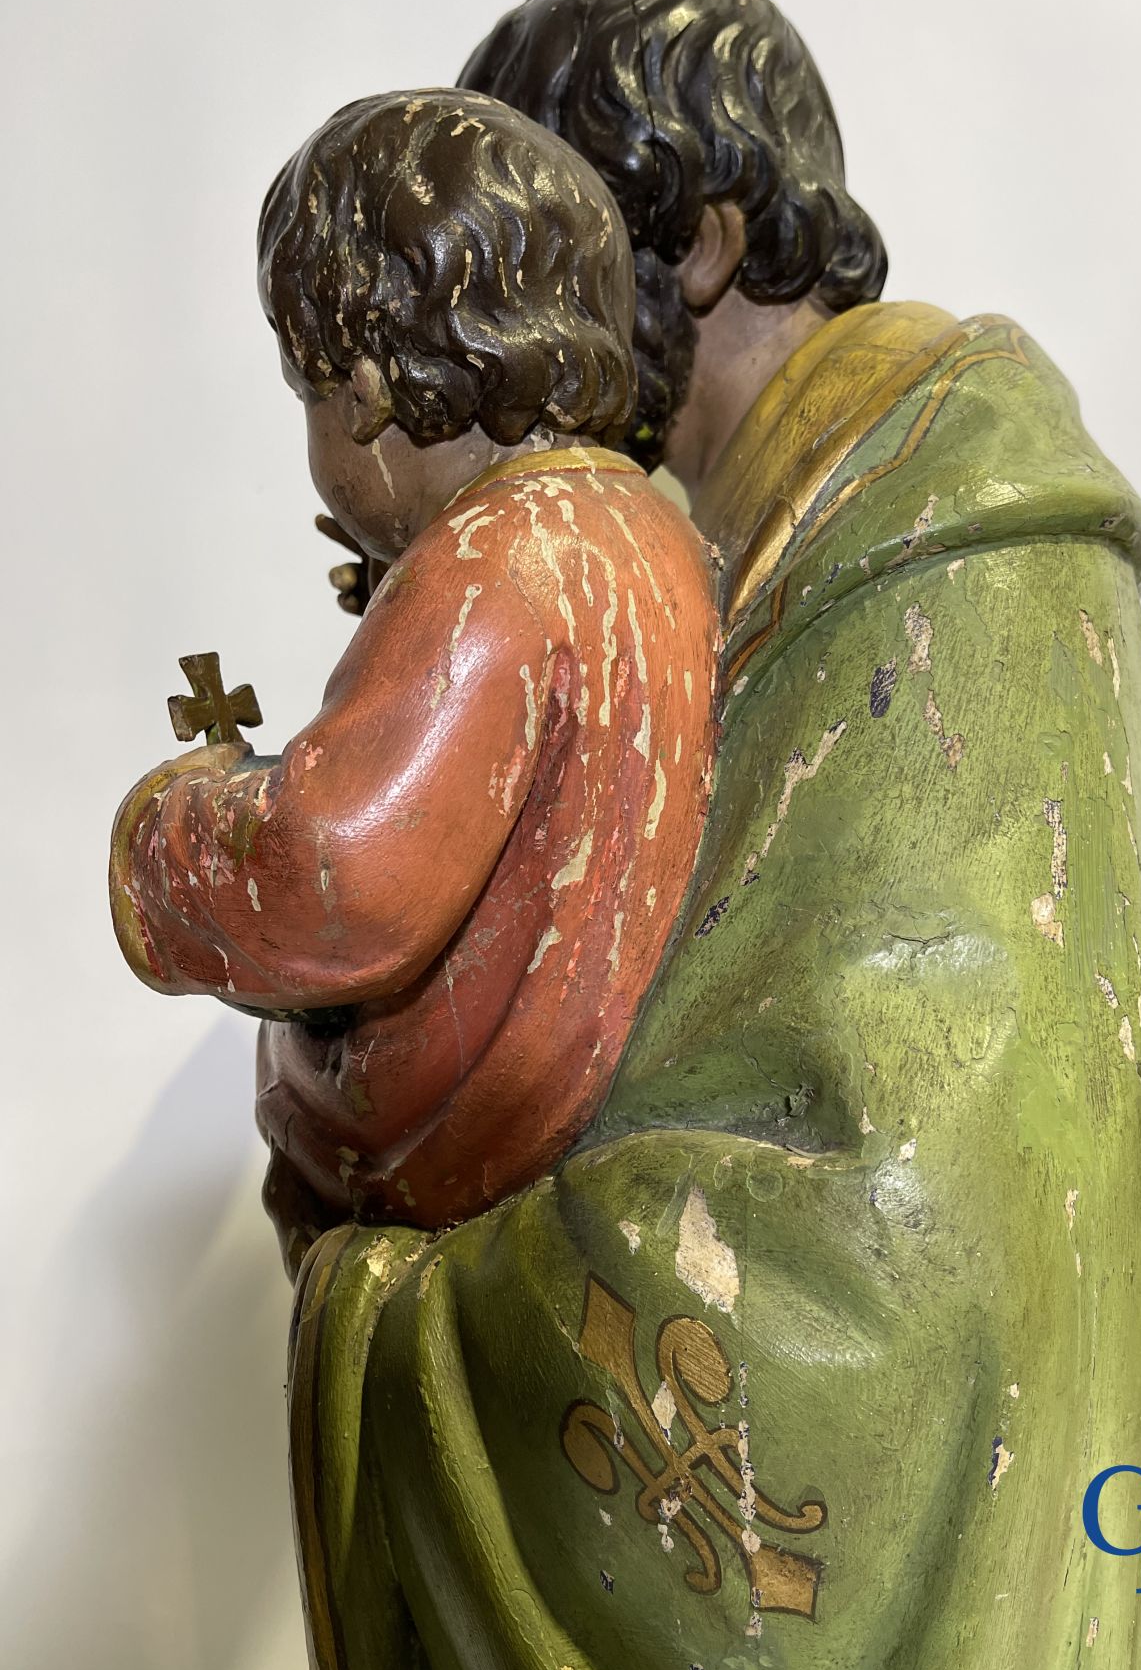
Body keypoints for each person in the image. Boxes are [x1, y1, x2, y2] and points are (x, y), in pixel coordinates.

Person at [318, 0, 1141, 1670]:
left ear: (702, 240)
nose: (519, 343)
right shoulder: (711, 557)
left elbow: (889, 1263)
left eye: (551, 255)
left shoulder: (956, 556)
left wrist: (395, 1316)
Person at [109, 89, 719, 1279]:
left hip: (454, 1157)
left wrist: (169, 834)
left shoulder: (497, 565)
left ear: (368, 386)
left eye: (311, 397)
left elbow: (335, 879)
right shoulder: (652, 535)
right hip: (589, 1106)